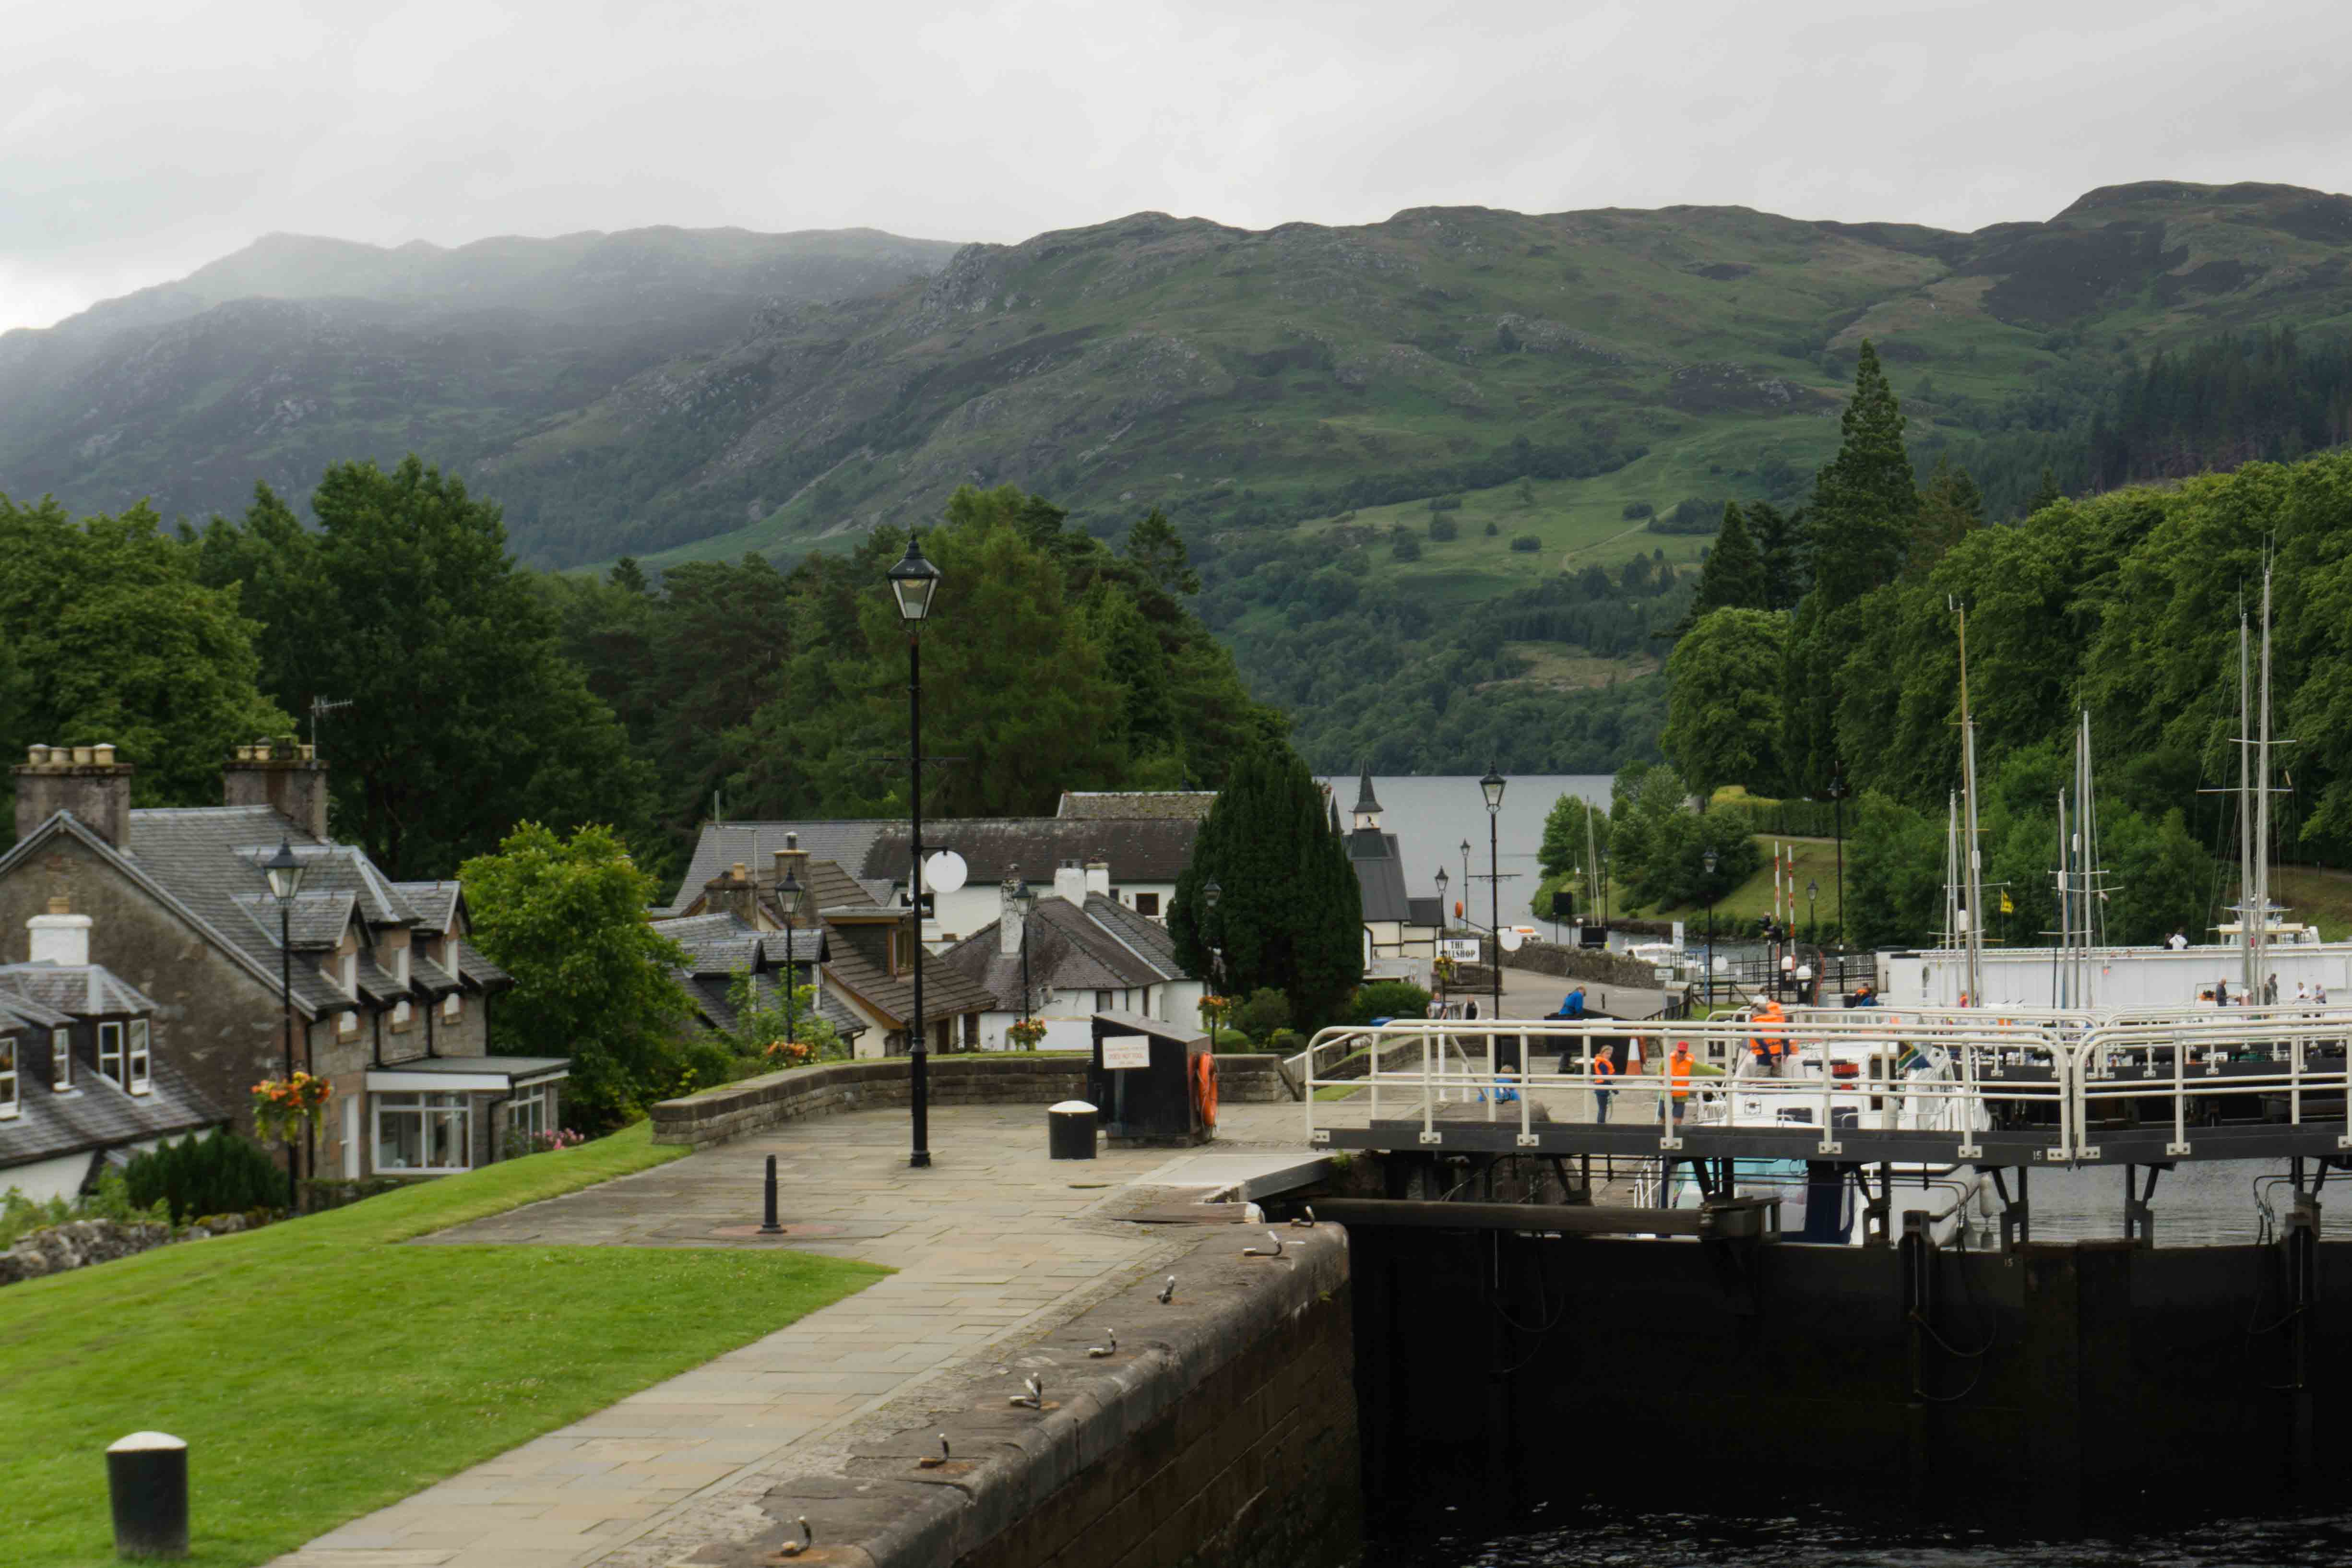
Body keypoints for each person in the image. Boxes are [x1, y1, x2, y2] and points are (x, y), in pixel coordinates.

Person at [1588, 1042, 1617, 1123]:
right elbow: (1605, 1078)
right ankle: (1601, 1124)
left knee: (1603, 1108)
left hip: (1601, 1087)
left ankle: (1601, 1123)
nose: (1609, 1056)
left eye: (1610, 1054)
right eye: (1607, 1054)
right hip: (1602, 1088)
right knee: (1602, 1109)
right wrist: (1614, 1089)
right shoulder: (1603, 1064)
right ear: (1602, 1053)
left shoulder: (1601, 1062)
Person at [1667, 1040, 1695, 1105]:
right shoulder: (1669, 1058)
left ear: (1687, 1052)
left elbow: (1704, 1069)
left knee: (1678, 1115)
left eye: (1684, 1052)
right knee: (1663, 1113)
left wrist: (1722, 1072)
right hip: (1667, 1092)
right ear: (1677, 1051)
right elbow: (1661, 1067)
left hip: (1681, 1094)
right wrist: (1660, 1076)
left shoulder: (1690, 1062)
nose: (1682, 1054)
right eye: (1680, 1052)